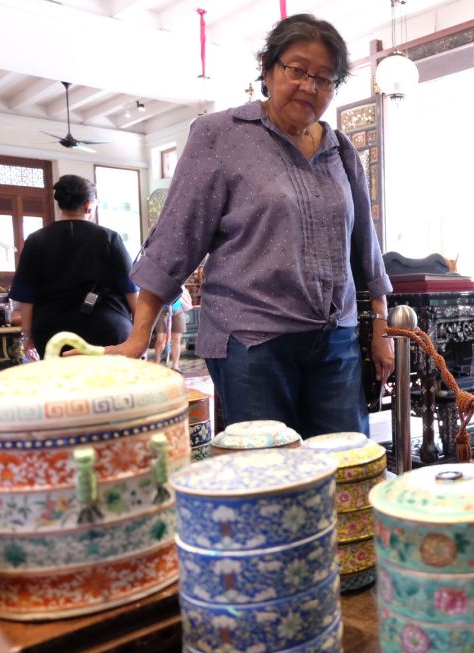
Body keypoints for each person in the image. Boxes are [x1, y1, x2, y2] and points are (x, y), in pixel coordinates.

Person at [106, 14, 394, 438]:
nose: (309, 86)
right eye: (296, 70)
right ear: (268, 68)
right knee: (269, 474)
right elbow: (176, 238)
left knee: (346, 467)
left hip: (335, 339)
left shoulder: (340, 148)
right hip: (252, 341)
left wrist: (380, 327)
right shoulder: (219, 135)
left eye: (325, 79)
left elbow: (364, 247)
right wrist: (139, 335)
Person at [10, 174, 137, 356]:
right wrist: (141, 334)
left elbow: (26, 294)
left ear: (59, 204)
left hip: (51, 331)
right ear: (88, 204)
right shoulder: (109, 237)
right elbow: (130, 288)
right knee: (109, 382)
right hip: (107, 326)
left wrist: (28, 335)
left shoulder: (36, 240)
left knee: (62, 383)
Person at [152, 289, 191, 371]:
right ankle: (157, 362)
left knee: (176, 339)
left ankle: (175, 366)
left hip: (177, 310)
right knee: (161, 339)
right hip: (162, 312)